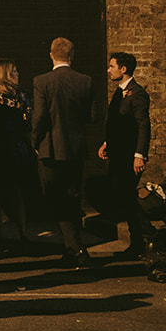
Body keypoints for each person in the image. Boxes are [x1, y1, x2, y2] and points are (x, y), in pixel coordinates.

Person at [32, 37, 95, 267]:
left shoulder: (42, 81)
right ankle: (72, 248)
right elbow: (92, 116)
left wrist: (34, 141)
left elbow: (39, 117)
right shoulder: (85, 81)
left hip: (50, 148)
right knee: (72, 197)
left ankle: (76, 249)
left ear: (51, 54)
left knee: (57, 201)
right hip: (76, 148)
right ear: (72, 55)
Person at [97, 50, 153, 258]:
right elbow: (118, 122)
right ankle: (140, 239)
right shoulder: (120, 92)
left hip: (129, 156)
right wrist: (106, 142)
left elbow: (142, 125)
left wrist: (140, 154)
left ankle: (143, 238)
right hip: (119, 154)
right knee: (123, 196)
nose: (108, 70)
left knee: (128, 196)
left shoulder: (136, 93)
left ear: (123, 69)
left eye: (112, 66)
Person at [0, 59, 36, 246]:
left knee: (16, 192)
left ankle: (21, 233)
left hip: (16, 150)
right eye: (14, 72)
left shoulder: (21, 97)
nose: (18, 75)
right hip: (1, 150)